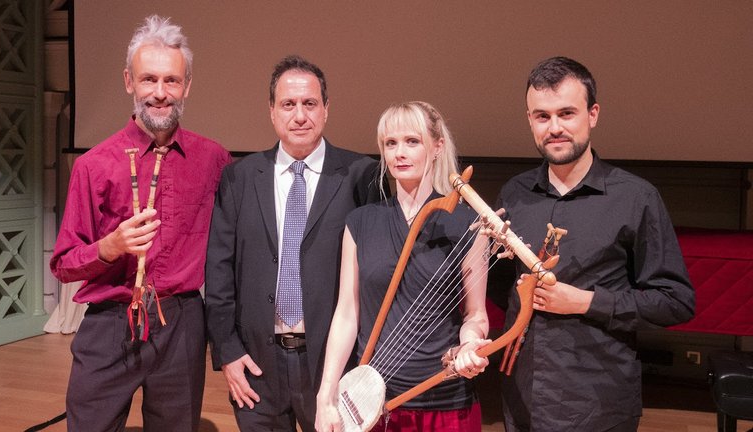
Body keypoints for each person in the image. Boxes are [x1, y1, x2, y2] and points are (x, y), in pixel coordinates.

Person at [492, 56, 695, 432]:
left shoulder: (636, 197)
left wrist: (585, 301)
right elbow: (501, 285)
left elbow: (675, 300)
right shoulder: (514, 194)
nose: (554, 128)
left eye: (567, 113)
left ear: (593, 114)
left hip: (599, 401)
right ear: (530, 120)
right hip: (523, 397)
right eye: (542, 116)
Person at [50, 15, 231, 432]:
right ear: (129, 81)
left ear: (187, 86)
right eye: (149, 79)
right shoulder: (93, 165)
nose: (160, 93)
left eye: (171, 80)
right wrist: (109, 247)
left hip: (181, 321)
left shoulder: (214, 160)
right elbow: (62, 263)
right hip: (109, 322)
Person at [204, 55, 384, 432]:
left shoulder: (361, 175)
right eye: (288, 104)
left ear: (326, 109)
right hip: (256, 366)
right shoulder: (239, 178)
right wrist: (228, 351)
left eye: (310, 104)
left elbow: (376, 273)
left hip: (333, 365)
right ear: (272, 111)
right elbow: (219, 271)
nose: (299, 115)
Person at [315, 101, 492, 432]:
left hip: (445, 401)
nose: (400, 153)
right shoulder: (360, 222)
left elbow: (476, 315)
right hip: (373, 403)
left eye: (412, 141)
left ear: (437, 147)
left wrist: (469, 344)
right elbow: (347, 313)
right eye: (390, 143)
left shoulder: (469, 224)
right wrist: (326, 394)